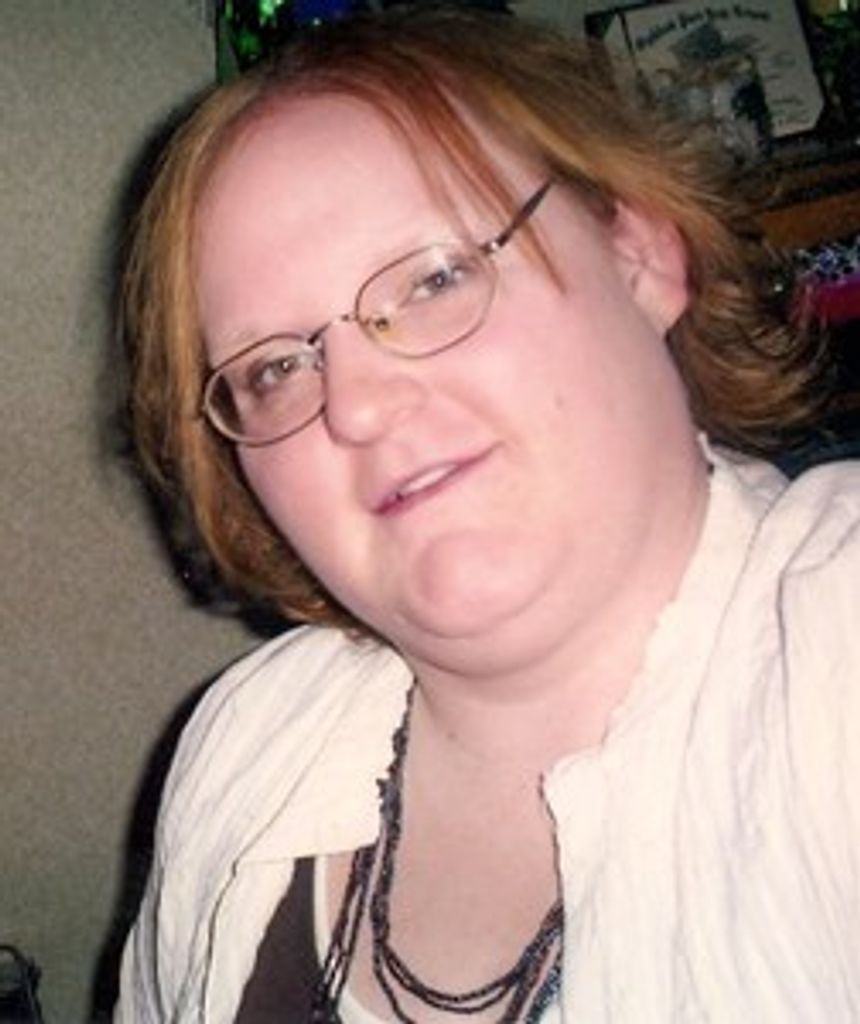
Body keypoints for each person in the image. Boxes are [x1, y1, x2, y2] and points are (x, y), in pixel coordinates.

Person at [115, 6, 860, 1022]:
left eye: (433, 277)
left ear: (640, 257)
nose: (356, 405)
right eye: (274, 366)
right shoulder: (239, 748)